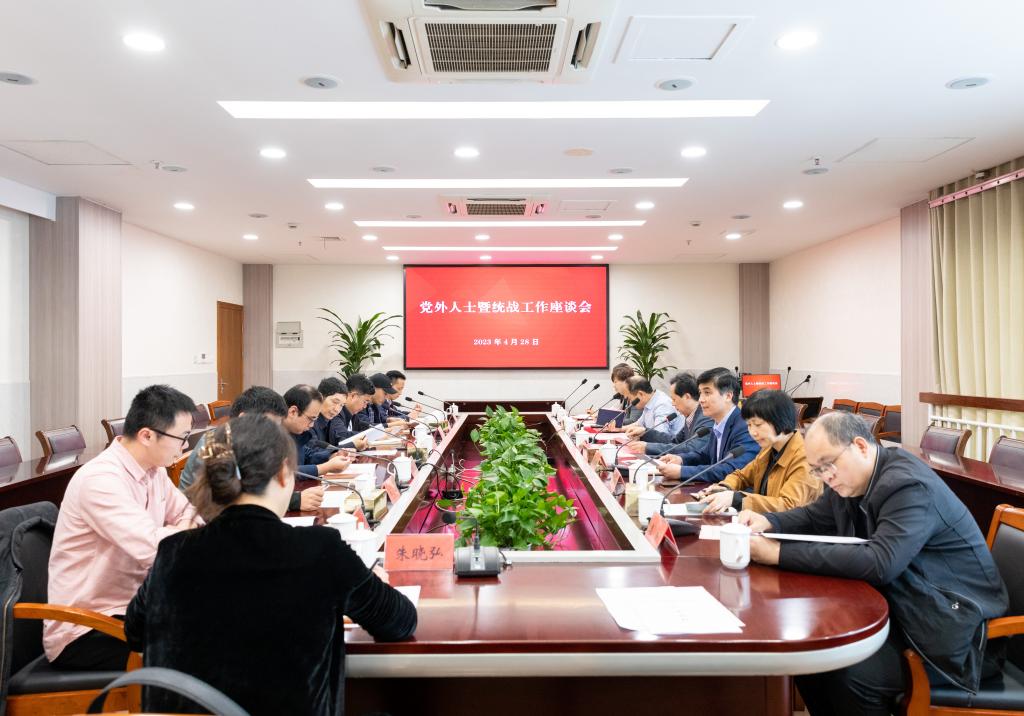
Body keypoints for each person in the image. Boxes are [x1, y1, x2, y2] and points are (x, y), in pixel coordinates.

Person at [124, 414, 417, 715]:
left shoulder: (173, 552)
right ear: (282, 474)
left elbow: (135, 631)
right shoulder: (320, 550)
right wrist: (374, 582)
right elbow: (400, 622)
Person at [738, 411, 1008, 715]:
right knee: (809, 655)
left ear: (860, 446)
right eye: (817, 470)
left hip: (957, 634)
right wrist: (769, 521)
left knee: (851, 674)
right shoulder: (852, 479)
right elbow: (816, 516)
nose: (826, 476)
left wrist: (776, 553)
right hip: (908, 608)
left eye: (828, 465)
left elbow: (881, 562)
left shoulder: (907, 485)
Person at [45, 385, 200, 670]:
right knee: (205, 645)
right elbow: (157, 550)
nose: (185, 447)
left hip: (134, 609)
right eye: (183, 437)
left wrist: (183, 527)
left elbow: (191, 514)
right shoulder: (101, 480)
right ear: (147, 435)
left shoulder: (154, 471)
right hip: (88, 628)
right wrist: (183, 529)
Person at [180, 386, 325, 516]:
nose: (273, 432)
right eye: (268, 424)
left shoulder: (249, 444)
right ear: (244, 419)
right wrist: (295, 501)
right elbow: (227, 501)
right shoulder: (214, 444)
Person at [694, 389, 820, 514]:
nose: (752, 432)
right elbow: (742, 476)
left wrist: (736, 499)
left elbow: (789, 505)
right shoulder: (769, 448)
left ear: (780, 420)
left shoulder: (806, 458)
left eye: (758, 425)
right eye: (749, 425)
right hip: (762, 521)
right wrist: (724, 488)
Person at [656, 368, 758, 483]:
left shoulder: (745, 426)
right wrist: (680, 459)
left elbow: (731, 469)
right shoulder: (719, 422)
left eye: (707, 393)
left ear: (728, 396)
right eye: (700, 393)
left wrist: (682, 472)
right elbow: (705, 455)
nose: (701, 400)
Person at [625, 372, 713, 457]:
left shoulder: (705, 419)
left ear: (687, 397)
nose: (672, 404)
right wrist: (645, 432)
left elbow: (691, 449)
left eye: (674, 399)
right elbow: (675, 441)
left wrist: (648, 447)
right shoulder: (691, 416)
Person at [283, 384, 353, 484]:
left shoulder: (295, 432)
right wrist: (324, 468)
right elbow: (282, 472)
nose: (312, 425)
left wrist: (331, 456)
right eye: (311, 419)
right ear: (293, 412)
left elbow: (307, 455)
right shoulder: (270, 435)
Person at [624, 376, 684, 440]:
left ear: (640, 394)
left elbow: (659, 436)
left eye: (630, 398)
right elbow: (639, 424)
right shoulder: (650, 401)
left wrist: (640, 438)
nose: (630, 402)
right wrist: (620, 429)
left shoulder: (662, 405)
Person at [329, 373, 374, 449]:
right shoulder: (337, 412)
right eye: (365, 402)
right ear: (353, 396)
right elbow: (342, 435)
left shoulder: (354, 415)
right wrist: (369, 435)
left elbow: (365, 426)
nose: (365, 406)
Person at [602, 363, 642, 430]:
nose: (614, 386)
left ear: (626, 381)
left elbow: (633, 421)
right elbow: (622, 415)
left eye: (615, 382)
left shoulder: (636, 396)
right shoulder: (626, 397)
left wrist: (611, 421)